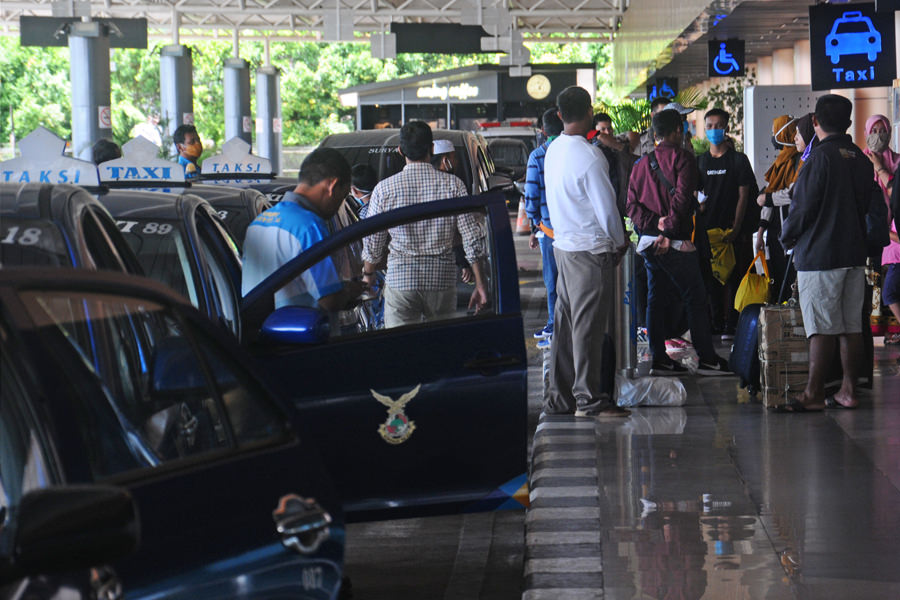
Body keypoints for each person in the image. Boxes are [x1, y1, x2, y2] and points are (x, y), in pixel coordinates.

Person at [779, 94, 874, 411]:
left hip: (820, 255)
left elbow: (803, 208)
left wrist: (787, 236)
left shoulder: (818, 159)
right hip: (853, 254)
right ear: (848, 123)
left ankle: (813, 393)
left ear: (815, 122)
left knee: (819, 327)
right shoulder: (859, 157)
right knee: (851, 327)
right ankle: (848, 390)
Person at [543, 85, 629, 418]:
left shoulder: (553, 150)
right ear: (591, 112)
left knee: (565, 327)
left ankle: (561, 398)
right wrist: (619, 241)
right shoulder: (590, 155)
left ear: (560, 114)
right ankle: (590, 400)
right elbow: (607, 210)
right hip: (590, 251)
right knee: (588, 328)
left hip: (563, 247)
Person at [626, 109, 730, 376]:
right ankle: (707, 357)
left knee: (655, 299)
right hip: (675, 244)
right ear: (676, 131)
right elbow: (682, 201)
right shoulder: (683, 159)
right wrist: (668, 231)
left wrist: (654, 225)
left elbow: (631, 206)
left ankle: (659, 358)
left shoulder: (640, 164)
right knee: (695, 297)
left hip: (648, 243)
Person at [361, 121, 488, 328]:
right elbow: (471, 236)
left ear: (400, 150)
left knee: (401, 349)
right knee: (439, 347)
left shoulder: (384, 189)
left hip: (401, 280)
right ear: (431, 149)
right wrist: (480, 283)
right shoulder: (453, 185)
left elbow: (373, 241)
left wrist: (368, 275)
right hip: (441, 280)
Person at [241, 148, 364, 311]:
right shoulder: (308, 226)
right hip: (301, 331)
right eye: (342, 197)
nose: (338, 207)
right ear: (331, 186)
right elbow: (329, 300)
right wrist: (348, 291)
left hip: (262, 329)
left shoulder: (259, 221)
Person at [698, 108, 757, 338]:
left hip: (732, 232)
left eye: (718, 125)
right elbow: (694, 193)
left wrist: (737, 227)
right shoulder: (700, 162)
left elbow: (744, 195)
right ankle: (715, 323)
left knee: (733, 278)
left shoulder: (738, 160)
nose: (714, 130)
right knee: (710, 279)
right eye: (710, 126)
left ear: (727, 128)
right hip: (708, 232)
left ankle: (731, 325)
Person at [524, 107, 564, 348]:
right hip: (574, 231)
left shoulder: (538, 156)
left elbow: (530, 196)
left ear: (542, 130)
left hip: (549, 232)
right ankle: (566, 324)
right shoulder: (575, 151)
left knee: (552, 280)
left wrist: (536, 222)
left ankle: (554, 323)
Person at [754, 116, 803, 296]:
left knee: (791, 281)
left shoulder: (800, 161)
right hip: (775, 234)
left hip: (792, 231)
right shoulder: (779, 162)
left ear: (784, 133)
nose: (773, 137)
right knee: (777, 278)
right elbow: (769, 195)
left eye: (776, 132)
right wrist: (760, 233)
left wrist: (767, 199)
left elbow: (794, 194)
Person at [863, 114, 900, 345]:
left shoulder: (897, 161)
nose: (878, 135)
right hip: (872, 233)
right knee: (875, 282)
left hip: (895, 233)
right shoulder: (860, 161)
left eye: (882, 130)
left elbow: (895, 193)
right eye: (873, 130)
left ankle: (895, 329)